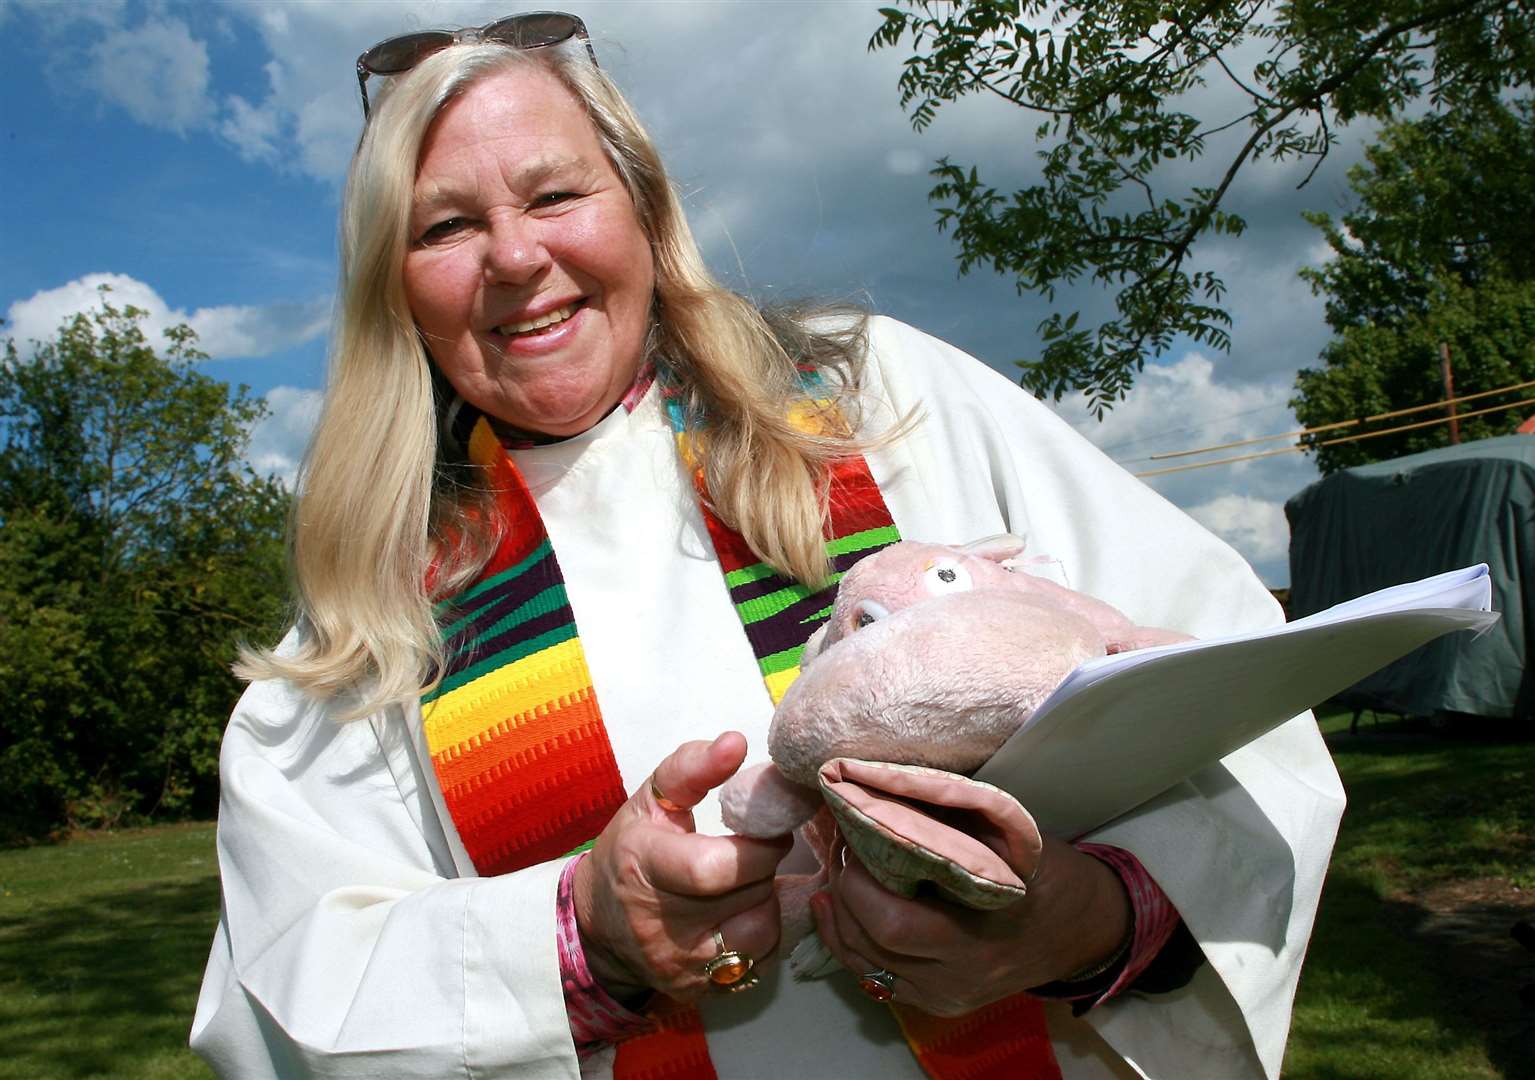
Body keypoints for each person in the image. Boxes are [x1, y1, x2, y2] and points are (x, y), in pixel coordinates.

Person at [190, 13, 1344, 1079]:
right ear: (392, 284)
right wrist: (582, 940)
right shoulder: (382, 599)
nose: (513, 256)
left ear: (642, 211)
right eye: (444, 225)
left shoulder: (875, 396)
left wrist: (1086, 922)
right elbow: (285, 976)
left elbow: (1225, 686)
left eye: (554, 195)